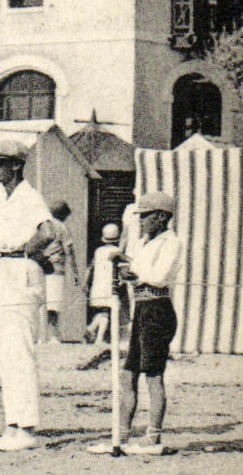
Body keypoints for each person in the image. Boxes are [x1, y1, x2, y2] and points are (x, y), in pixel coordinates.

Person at [88, 192, 184, 456]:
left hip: (157, 309)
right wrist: (124, 263)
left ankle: (153, 437)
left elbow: (159, 277)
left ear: (161, 217)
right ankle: (122, 436)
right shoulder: (145, 243)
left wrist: (133, 273)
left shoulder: (172, 242)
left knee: (153, 376)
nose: (140, 221)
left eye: (145, 216)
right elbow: (139, 270)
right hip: (142, 309)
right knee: (128, 374)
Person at [0, 140, 57, 452]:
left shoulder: (29, 196)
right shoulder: (4, 199)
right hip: (1, 270)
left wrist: (24, 249)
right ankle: (12, 426)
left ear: (15, 164)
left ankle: (26, 427)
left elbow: (48, 232)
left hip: (20, 270)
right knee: (5, 354)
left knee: (20, 353)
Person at [85, 223, 126, 346]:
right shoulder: (117, 251)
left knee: (103, 311)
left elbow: (90, 267)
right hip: (109, 285)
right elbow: (121, 269)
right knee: (107, 311)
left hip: (98, 285)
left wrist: (86, 282)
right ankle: (99, 337)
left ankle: (91, 328)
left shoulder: (98, 251)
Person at [45, 200, 78, 341]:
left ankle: (42, 336)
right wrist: (75, 273)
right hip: (55, 269)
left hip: (40, 267)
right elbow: (69, 251)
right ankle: (53, 335)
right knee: (53, 304)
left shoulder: (42, 225)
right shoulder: (62, 228)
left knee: (42, 303)